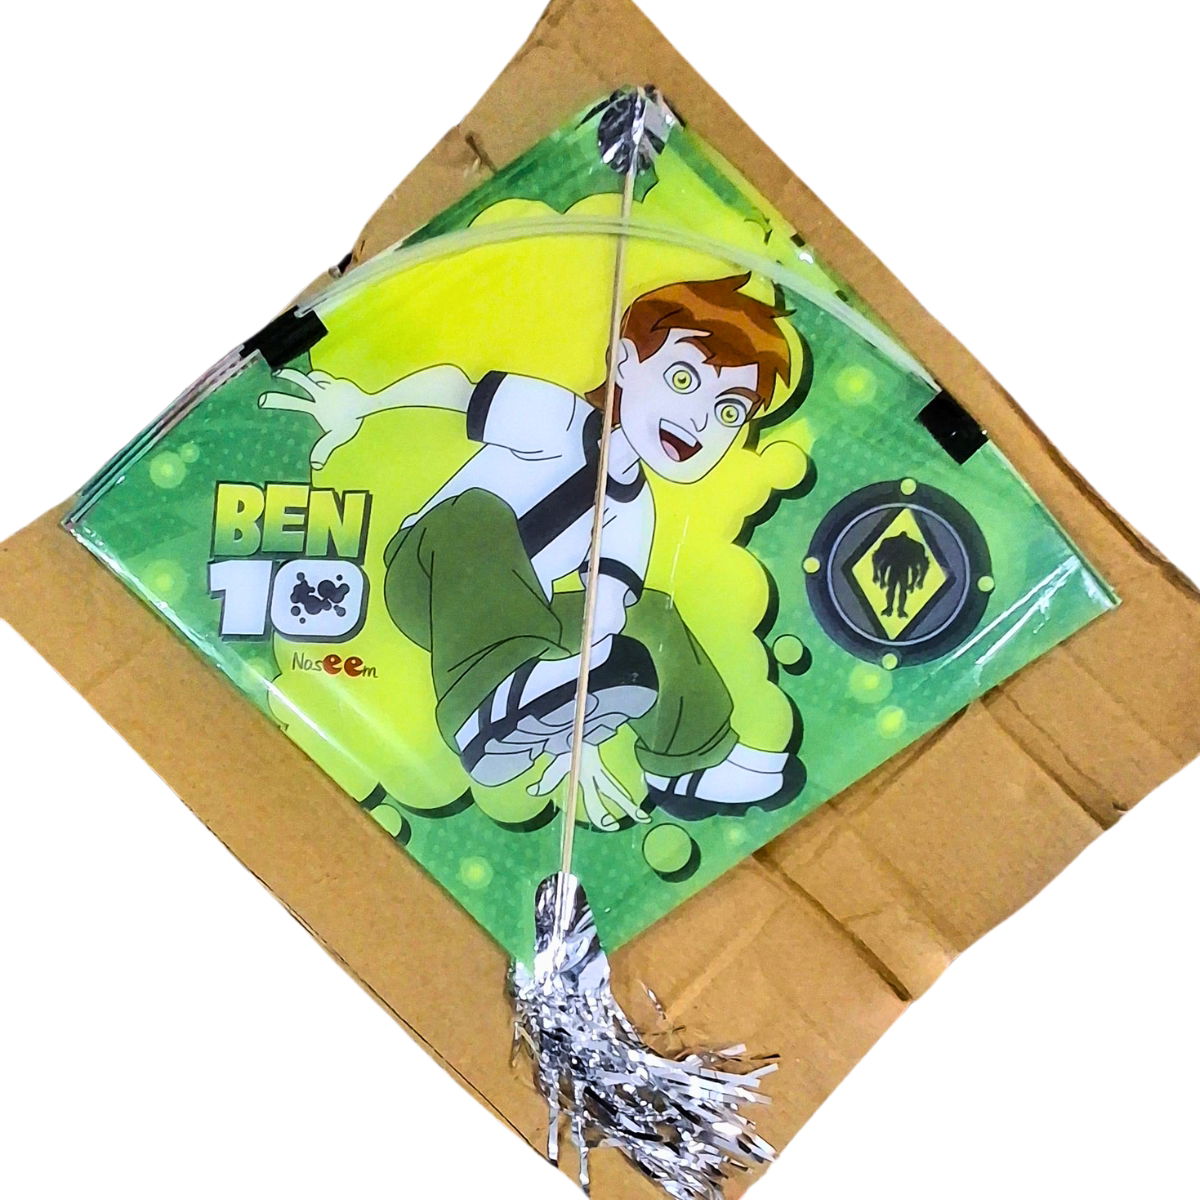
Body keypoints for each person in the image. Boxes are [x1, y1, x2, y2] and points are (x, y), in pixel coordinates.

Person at [260, 275, 801, 828]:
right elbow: (456, 390)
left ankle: (689, 760)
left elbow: (604, 616)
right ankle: (477, 706)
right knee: (482, 514)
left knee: (651, 615)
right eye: (683, 379)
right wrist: (365, 404)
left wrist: (580, 732)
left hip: (522, 619)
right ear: (623, 361)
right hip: (429, 574)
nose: (699, 420)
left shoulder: (634, 510)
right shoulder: (558, 418)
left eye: (729, 413)